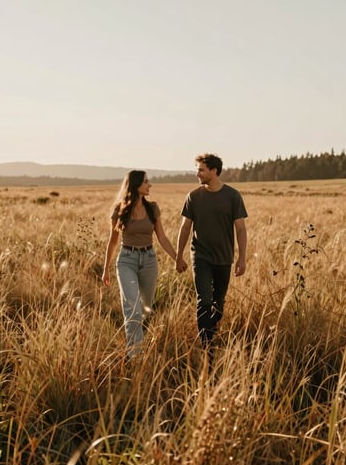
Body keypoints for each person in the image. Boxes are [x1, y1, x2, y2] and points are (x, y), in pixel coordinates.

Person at [176, 153, 248, 353]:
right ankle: (206, 346)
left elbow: (241, 229)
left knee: (218, 302)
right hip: (201, 256)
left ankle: (211, 332)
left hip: (224, 257)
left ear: (214, 171)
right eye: (197, 169)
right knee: (204, 300)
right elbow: (185, 228)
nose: (197, 173)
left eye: (201, 169)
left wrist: (242, 258)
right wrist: (179, 255)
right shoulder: (194, 196)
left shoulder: (233, 196)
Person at [102, 170, 177, 357]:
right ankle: (136, 355)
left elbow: (162, 237)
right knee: (132, 308)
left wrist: (177, 258)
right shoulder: (119, 210)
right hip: (127, 260)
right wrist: (106, 270)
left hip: (149, 260)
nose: (149, 185)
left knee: (145, 309)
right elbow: (113, 241)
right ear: (136, 185)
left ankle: (135, 343)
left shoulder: (152, 208)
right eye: (146, 182)